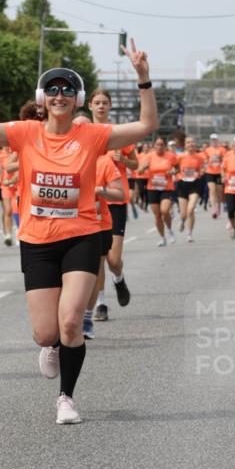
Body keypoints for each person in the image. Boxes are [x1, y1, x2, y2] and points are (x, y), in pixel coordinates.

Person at [0, 40, 157, 425]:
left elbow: (147, 126)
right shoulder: (24, 134)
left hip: (81, 236)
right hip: (37, 241)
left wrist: (144, 79)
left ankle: (66, 397)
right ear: (42, 99)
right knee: (45, 331)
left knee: (71, 323)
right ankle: (50, 345)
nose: (60, 95)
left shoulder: (93, 137)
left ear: (78, 98)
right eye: (52, 89)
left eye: (67, 89)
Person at [72, 114, 124, 340]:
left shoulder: (103, 161)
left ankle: (87, 316)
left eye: (85, 127)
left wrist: (100, 191)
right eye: (77, 127)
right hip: (66, 224)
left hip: (98, 224)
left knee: (92, 273)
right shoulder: (61, 157)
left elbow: (119, 193)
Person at [88, 88, 137, 319]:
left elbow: (136, 165)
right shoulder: (82, 132)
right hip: (91, 201)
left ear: (110, 106)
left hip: (115, 200)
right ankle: (101, 303)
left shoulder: (119, 134)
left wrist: (123, 159)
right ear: (90, 106)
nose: (100, 106)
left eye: (104, 103)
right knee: (97, 255)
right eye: (96, 102)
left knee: (113, 259)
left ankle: (119, 278)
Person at [139, 137, 178, 246]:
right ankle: (163, 238)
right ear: (154, 146)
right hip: (153, 188)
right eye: (157, 144)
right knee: (157, 216)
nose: (160, 146)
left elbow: (177, 169)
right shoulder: (149, 157)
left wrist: (173, 171)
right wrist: (144, 168)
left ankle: (170, 231)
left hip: (167, 188)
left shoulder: (171, 156)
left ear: (165, 146)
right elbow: (139, 171)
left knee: (164, 211)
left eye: (162, 144)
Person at [175, 136, 205, 242]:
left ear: (195, 144)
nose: (190, 144)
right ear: (185, 145)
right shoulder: (179, 157)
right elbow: (174, 169)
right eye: (188, 143)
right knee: (184, 213)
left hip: (194, 184)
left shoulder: (200, 157)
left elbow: (202, 169)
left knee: (191, 209)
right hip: (182, 184)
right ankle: (183, 220)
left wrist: (200, 172)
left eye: (192, 142)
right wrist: (175, 173)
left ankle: (189, 233)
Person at [203, 134, 224, 218]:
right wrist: (207, 163)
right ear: (210, 140)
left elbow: (224, 161)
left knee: (219, 192)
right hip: (210, 172)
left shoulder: (222, 149)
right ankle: (214, 209)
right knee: (212, 190)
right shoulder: (207, 150)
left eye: (215, 139)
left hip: (219, 172)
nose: (214, 141)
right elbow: (205, 160)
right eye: (212, 140)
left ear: (218, 140)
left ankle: (219, 206)